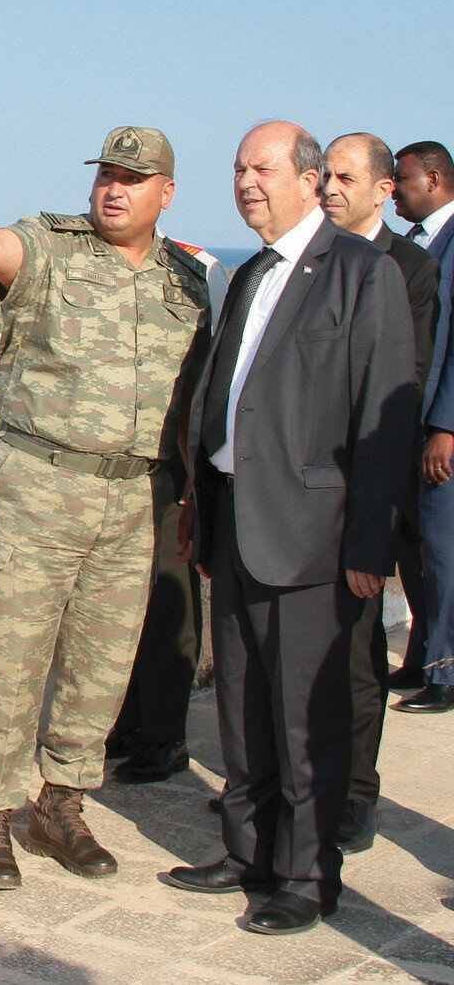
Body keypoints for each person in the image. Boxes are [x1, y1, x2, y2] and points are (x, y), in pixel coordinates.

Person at [0, 126, 209, 891]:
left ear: (166, 192)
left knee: (102, 663)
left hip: (132, 495)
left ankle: (61, 805)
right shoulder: (52, 248)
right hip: (41, 485)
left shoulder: (186, 280)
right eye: (106, 175)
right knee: (11, 655)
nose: (115, 189)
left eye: (135, 178)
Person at [164, 121, 416, 936]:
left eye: (261, 168)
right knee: (242, 703)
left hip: (316, 532)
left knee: (307, 718)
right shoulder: (248, 275)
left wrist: (371, 543)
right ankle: (248, 851)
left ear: (310, 180)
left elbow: (388, 410)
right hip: (235, 519)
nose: (245, 182)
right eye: (237, 168)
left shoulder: (361, 273)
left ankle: (308, 875)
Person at [318, 133, 439, 853]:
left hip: (365, 486)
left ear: (383, 189)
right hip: (301, 493)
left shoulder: (411, 268)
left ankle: (357, 794)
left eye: (342, 176)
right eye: (323, 175)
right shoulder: (308, 258)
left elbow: (406, 381)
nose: (328, 187)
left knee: (360, 653)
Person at [109, 239, 223, 785]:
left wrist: (197, 480)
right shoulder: (93, 264)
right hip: (111, 474)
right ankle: (127, 723)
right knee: (112, 610)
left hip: (170, 472)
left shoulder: (198, 269)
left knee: (165, 609)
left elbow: (212, 382)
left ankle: (164, 736)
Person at [391, 141, 454, 713]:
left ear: (433, 179)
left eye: (402, 181)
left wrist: (445, 427)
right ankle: (419, 656)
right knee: (410, 548)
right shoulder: (415, 244)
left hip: (440, 428)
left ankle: (447, 673)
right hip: (405, 423)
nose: (394, 192)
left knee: (442, 551)